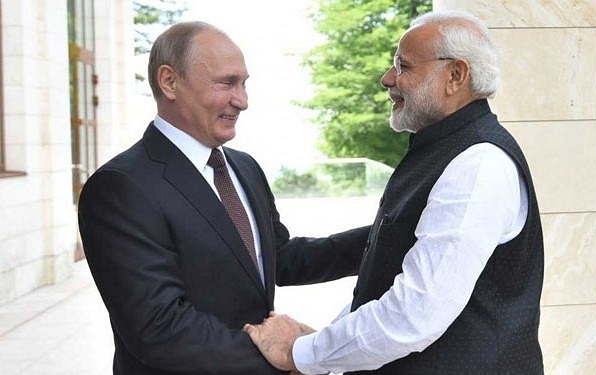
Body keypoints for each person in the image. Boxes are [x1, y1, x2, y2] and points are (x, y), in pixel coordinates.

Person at [244, 9, 545, 375]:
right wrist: (321, 346)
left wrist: (301, 353)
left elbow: (413, 315)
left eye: (403, 66)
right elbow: (384, 284)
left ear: (455, 75)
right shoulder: (445, 151)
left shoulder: (478, 163)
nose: (388, 78)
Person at [77, 21, 370, 375]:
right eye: (226, 83)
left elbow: (281, 258)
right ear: (169, 82)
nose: (242, 101)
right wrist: (289, 355)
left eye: (244, 83)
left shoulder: (243, 168)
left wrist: (384, 235)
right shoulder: (119, 188)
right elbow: (160, 328)